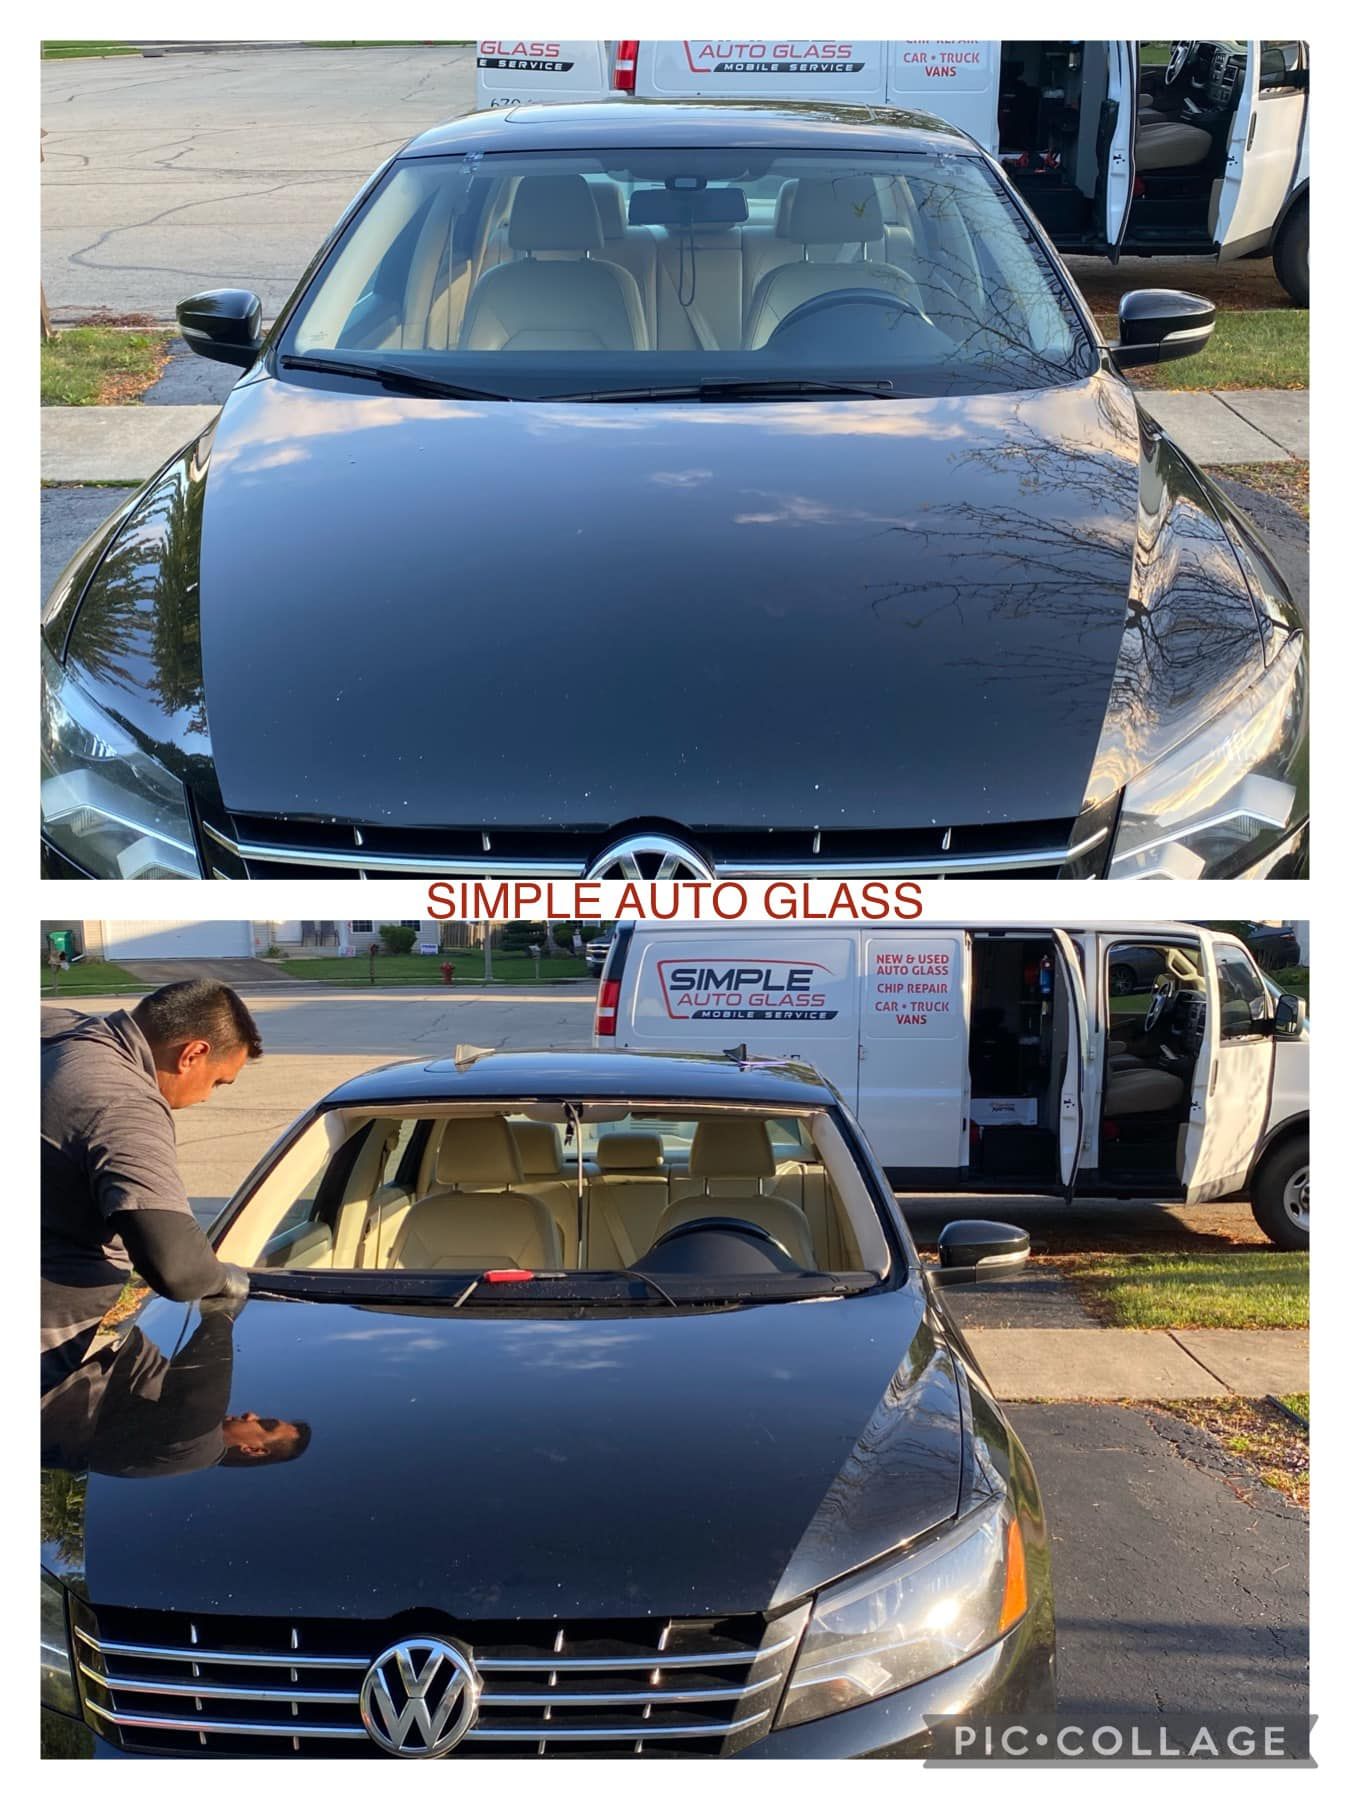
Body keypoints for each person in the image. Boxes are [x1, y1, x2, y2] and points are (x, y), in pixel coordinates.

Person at [41, 980, 261, 1385]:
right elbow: (177, 1268)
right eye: (217, 1081)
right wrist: (225, 1278)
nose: (208, 1097)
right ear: (193, 1054)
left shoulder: (54, 1030)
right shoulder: (123, 1102)